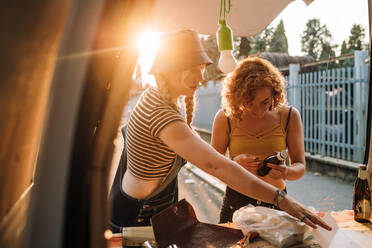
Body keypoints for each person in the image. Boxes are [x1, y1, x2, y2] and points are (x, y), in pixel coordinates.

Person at [109, 29, 331, 233]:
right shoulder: (162, 113)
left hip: (149, 207)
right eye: (194, 70)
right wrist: (282, 200)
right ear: (172, 70)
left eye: (202, 69)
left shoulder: (161, 98)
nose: (202, 77)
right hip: (137, 214)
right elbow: (215, 164)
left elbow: (211, 158)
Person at [211, 56, 306, 223]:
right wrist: (233, 163)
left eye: (265, 102)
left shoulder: (290, 116)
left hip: (277, 202)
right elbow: (212, 166)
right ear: (237, 97)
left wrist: (287, 172)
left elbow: (300, 166)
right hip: (236, 202)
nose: (258, 111)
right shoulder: (224, 118)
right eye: (249, 103)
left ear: (274, 93)